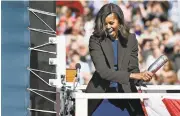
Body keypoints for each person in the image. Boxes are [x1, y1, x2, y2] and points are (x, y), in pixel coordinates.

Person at [85, 3, 153, 116]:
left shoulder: (131, 39)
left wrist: (142, 77)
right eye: (104, 23)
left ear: (120, 22)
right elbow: (103, 72)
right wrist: (134, 75)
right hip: (100, 97)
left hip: (126, 96)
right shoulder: (95, 40)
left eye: (111, 23)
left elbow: (134, 69)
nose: (107, 27)